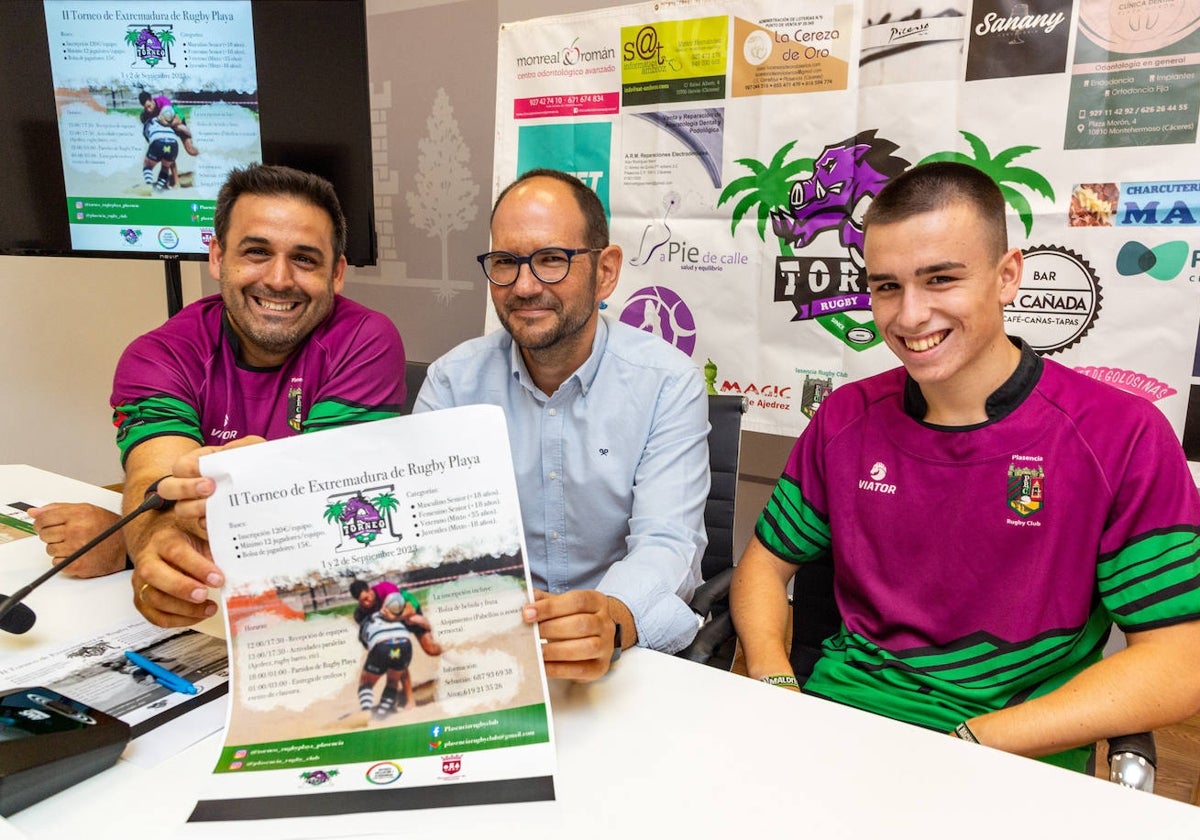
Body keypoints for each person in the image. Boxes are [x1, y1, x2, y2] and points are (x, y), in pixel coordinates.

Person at [730, 161, 1200, 772]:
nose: (909, 316)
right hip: (837, 728)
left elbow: (1177, 660)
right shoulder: (846, 416)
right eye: (887, 286)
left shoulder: (1120, 435)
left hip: (1014, 752)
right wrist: (774, 685)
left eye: (941, 279)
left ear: (1007, 276)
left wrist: (967, 747)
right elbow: (762, 568)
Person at [43, 164, 405, 627]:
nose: (278, 279)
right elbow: (152, 480)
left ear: (336, 274)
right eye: (256, 252)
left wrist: (124, 545)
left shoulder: (366, 339)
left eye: (305, 259)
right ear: (217, 257)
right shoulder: (155, 355)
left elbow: (326, 517)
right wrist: (152, 545)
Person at [413, 169, 710, 683]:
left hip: (620, 657)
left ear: (607, 271)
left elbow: (668, 542)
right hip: (482, 657)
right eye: (505, 263)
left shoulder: (667, 383)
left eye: (552, 260)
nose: (524, 287)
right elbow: (426, 539)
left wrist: (609, 617)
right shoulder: (452, 384)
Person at [355, 590, 443, 718]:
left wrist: (396, 618)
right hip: (404, 642)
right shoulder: (384, 611)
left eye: (367, 598)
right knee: (394, 677)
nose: (366, 602)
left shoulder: (387, 600)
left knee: (366, 683)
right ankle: (390, 709)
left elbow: (414, 613)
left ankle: (366, 711)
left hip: (392, 635)